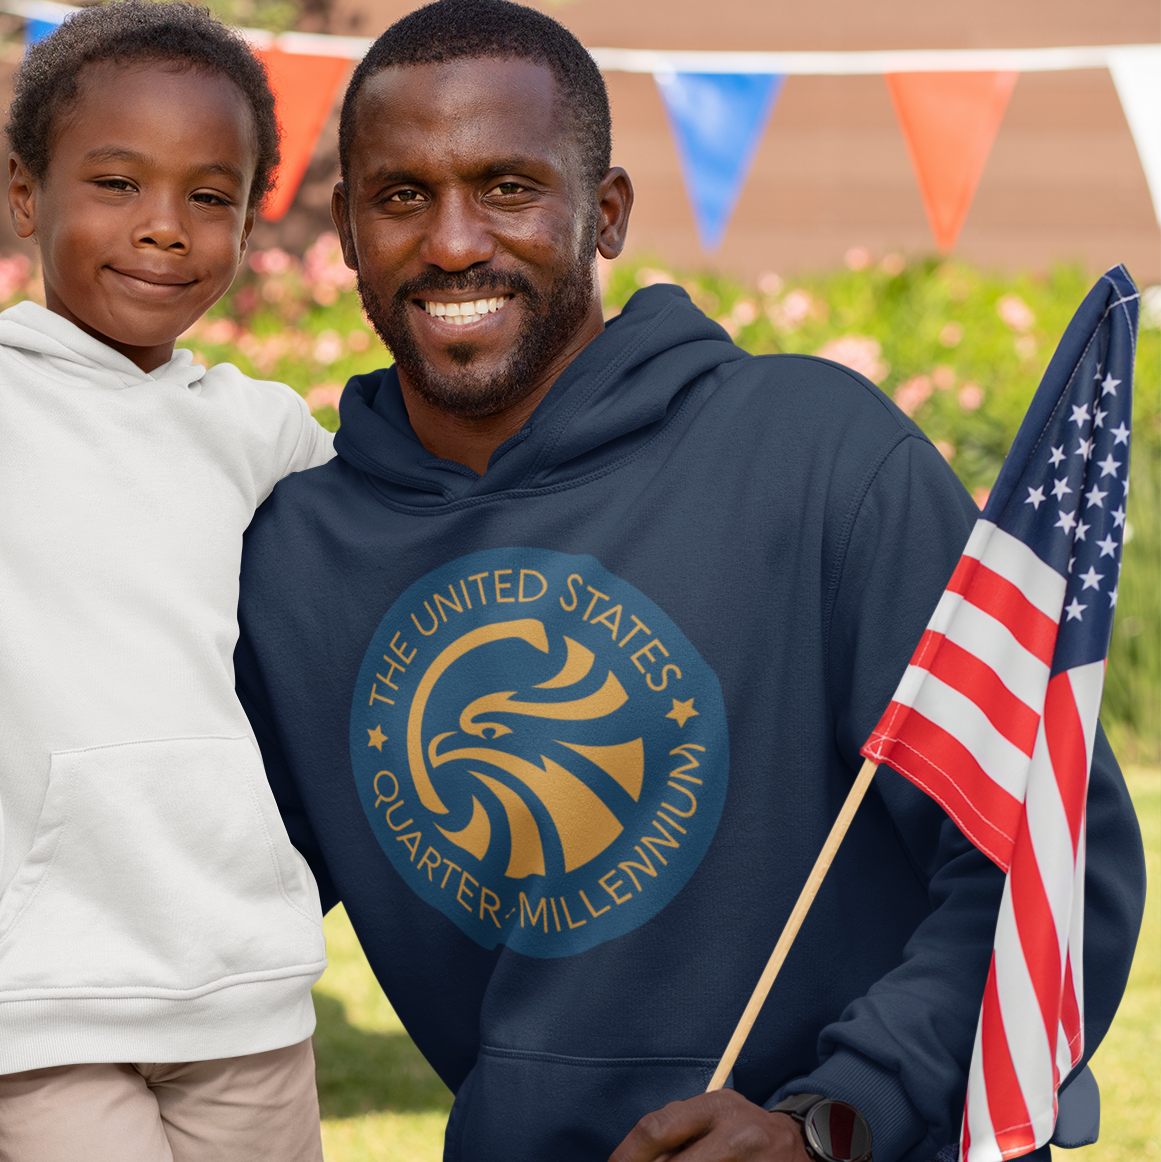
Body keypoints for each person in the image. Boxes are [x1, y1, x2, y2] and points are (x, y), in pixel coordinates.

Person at [233, 2, 1146, 1160]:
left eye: (508, 187)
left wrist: (835, 1116)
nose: (454, 241)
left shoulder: (815, 453)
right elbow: (196, 894)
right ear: (349, 230)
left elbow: (1052, 854)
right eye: (402, 195)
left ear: (604, 213)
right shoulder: (296, 554)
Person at [0, 5, 335, 1160]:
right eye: (116, 182)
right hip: (41, 999)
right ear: (25, 195)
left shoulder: (265, 429)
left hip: (247, 983)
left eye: (208, 196)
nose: (162, 229)